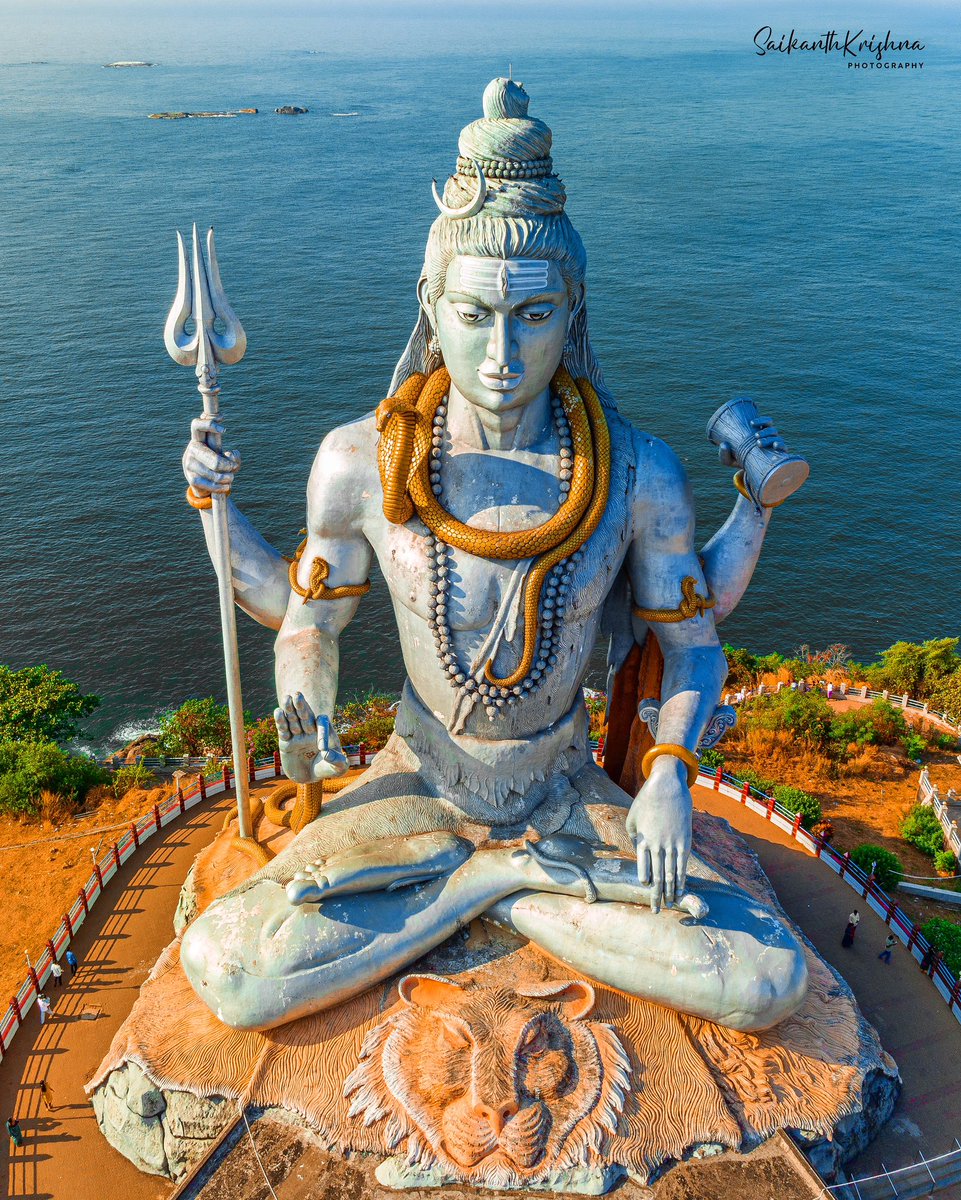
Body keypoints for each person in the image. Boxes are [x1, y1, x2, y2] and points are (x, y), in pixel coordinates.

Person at [177, 77, 809, 1036]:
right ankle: (509, 885)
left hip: (562, 788)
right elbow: (303, 612)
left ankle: (479, 891)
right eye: (473, 315)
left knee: (761, 980)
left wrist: (672, 770)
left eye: (533, 315)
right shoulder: (363, 458)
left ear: (573, 309)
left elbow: (692, 643)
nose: (502, 353)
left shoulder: (636, 471)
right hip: (422, 777)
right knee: (232, 969)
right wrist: (276, 635)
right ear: (430, 304)